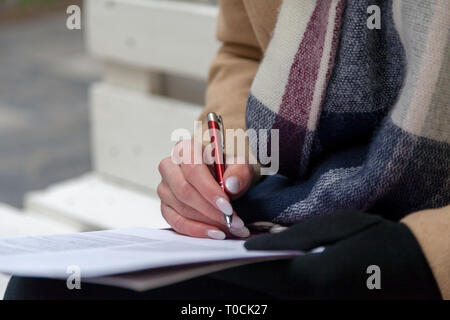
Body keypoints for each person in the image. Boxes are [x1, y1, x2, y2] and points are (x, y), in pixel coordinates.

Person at [5, 0, 449, 299]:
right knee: (48, 288)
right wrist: (227, 151)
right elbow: (244, 49)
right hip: (294, 211)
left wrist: (412, 256)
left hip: (423, 245)